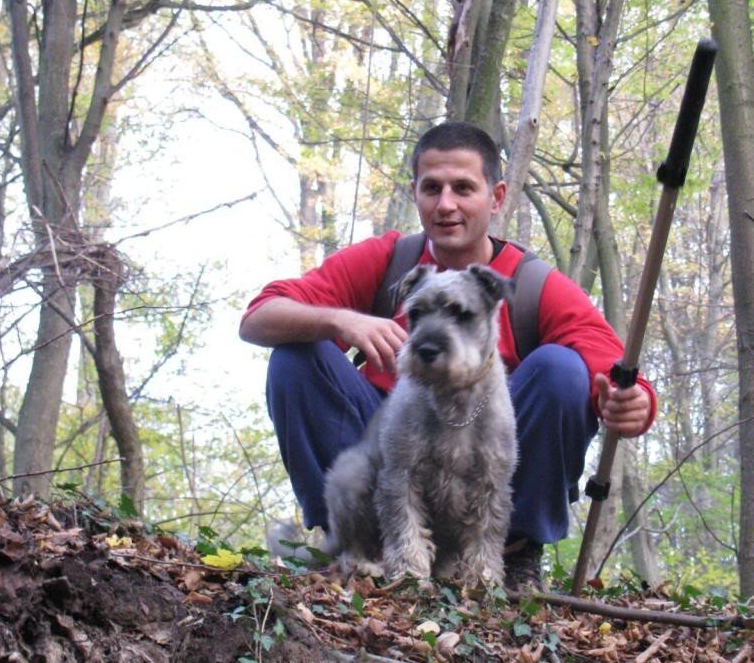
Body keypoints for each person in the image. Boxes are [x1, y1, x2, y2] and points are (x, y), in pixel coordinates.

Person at [239, 121, 656, 590]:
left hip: (484, 460)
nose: (446, 205)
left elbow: (615, 369)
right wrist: (342, 320)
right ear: (415, 192)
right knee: (296, 358)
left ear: (496, 197)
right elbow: (259, 316)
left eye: (463, 188)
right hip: (389, 456)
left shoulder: (535, 286)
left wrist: (632, 400)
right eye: (432, 188)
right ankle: (351, 541)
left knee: (561, 371)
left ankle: (514, 554)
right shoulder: (388, 261)